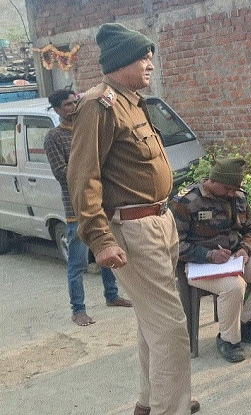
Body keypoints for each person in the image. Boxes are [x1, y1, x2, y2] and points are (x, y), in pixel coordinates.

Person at [67, 23, 198, 415]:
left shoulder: (133, 102)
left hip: (159, 222)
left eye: (150, 56)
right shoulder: (99, 104)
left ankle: (153, 401)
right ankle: (169, 408)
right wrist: (100, 238)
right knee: (172, 328)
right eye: (143, 57)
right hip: (133, 230)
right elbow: (83, 176)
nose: (150, 64)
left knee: (152, 323)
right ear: (121, 60)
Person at [169, 157, 251, 363]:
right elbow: (174, 245)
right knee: (234, 286)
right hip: (198, 266)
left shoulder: (238, 196)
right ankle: (228, 340)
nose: (233, 194)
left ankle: (246, 322)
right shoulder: (187, 201)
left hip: (233, 257)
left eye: (235, 189)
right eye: (228, 189)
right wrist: (209, 255)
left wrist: (245, 249)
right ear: (213, 181)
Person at [44, 88, 132, 327]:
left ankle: (112, 295)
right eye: (68, 104)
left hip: (102, 203)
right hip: (77, 209)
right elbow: (62, 173)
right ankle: (78, 309)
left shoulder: (88, 127)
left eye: (76, 102)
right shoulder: (54, 137)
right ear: (58, 110)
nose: (74, 107)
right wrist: (88, 171)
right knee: (78, 263)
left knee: (107, 252)